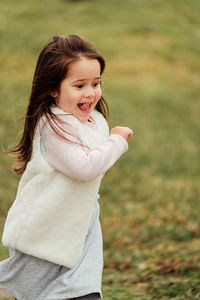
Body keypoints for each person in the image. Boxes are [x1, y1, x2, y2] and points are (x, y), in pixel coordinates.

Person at [0, 35, 133, 300]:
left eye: (96, 83)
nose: (90, 92)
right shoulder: (53, 128)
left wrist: (109, 138)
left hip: (81, 226)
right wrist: (117, 141)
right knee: (27, 286)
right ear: (53, 88)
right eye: (79, 85)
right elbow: (86, 168)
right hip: (47, 227)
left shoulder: (93, 121)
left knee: (82, 291)